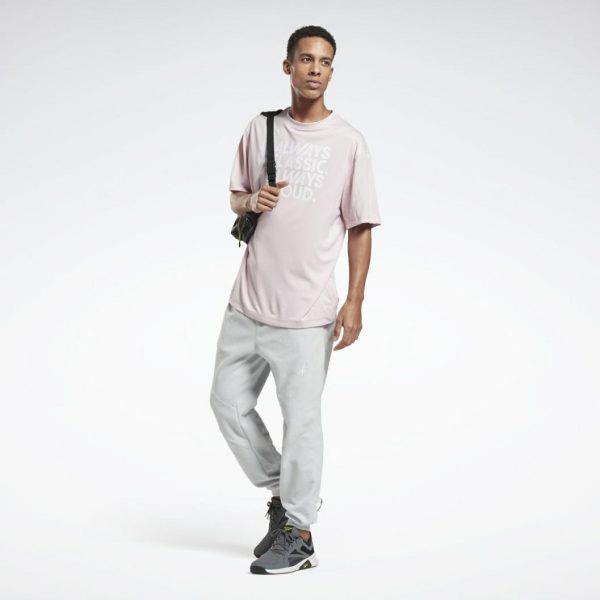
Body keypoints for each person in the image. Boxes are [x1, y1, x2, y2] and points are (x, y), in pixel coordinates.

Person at [209, 24, 382, 575]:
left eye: (325, 62)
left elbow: (360, 226)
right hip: (247, 302)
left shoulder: (348, 142)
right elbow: (236, 196)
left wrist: (355, 300)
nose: (315, 69)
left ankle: (300, 533)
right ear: (287, 67)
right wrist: (251, 200)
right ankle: (286, 494)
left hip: (307, 314)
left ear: (332, 71)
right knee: (227, 404)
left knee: (301, 423)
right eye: (306, 59)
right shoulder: (260, 129)